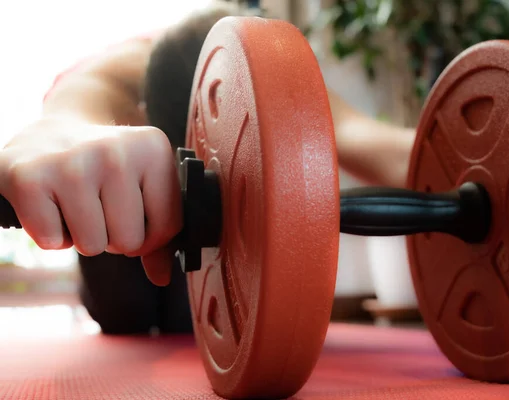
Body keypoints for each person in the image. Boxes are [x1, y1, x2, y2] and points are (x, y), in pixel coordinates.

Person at [0, 1, 416, 334]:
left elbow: (381, 148)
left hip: (213, 288)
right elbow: (69, 115)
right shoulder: (120, 72)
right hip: (128, 229)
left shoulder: (282, 81)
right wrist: (46, 140)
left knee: (191, 319)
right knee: (125, 316)